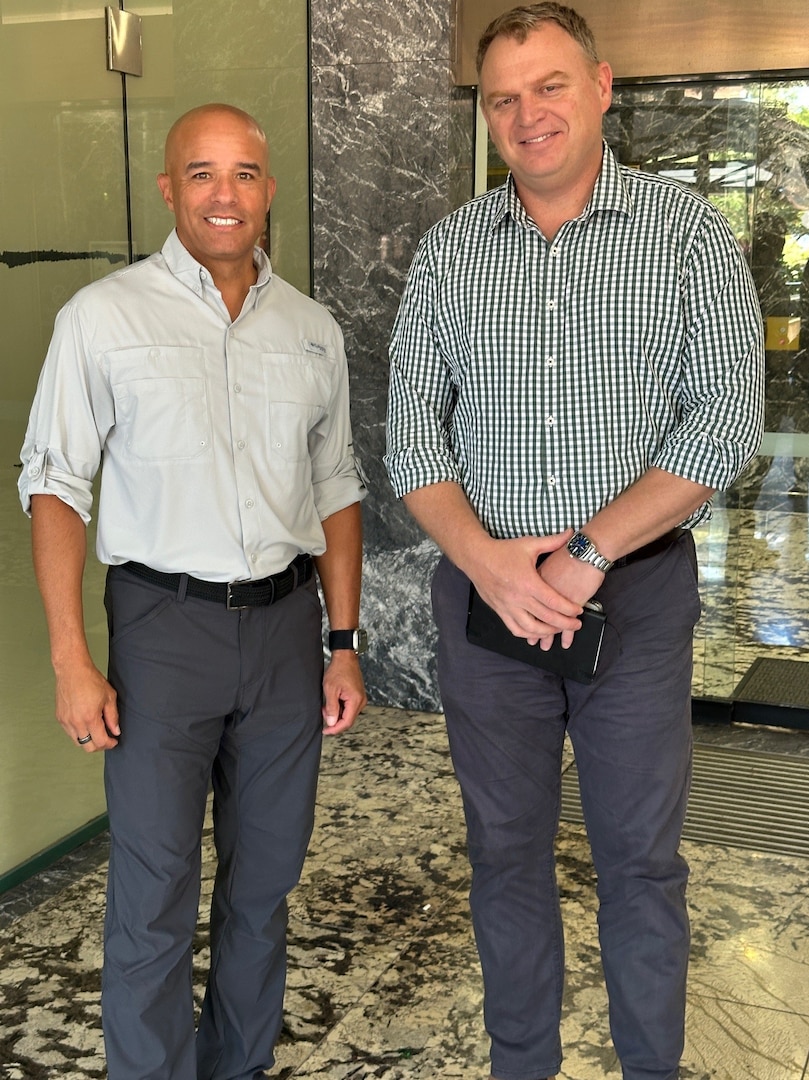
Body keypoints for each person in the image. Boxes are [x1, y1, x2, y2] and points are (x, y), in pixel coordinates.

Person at [385, 5, 763, 1080]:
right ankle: (522, 1065)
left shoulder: (685, 235)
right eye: (504, 98)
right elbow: (412, 435)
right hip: (487, 602)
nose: (527, 115)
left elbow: (726, 418)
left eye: (548, 87)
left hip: (634, 601)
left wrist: (586, 552)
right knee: (504, 854)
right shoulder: (452, 253)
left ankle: (650, 1067)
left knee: (639, 861)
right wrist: (493, 563)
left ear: (601, 87)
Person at [18, 103, 368, 1080]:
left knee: (263, 889)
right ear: (170, 188)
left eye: (246, 173)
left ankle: (238, 1068)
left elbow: (336, 489)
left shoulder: (311, 331)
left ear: (268, 188)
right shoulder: (102, 318)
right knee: (155, 887)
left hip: (288, 633)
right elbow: (53, 482)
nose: (226, 194)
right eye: (203, 174)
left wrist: (344, 642)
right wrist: (70, 657)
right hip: (161, 628)